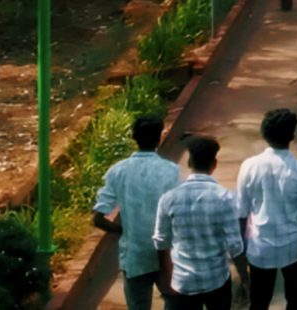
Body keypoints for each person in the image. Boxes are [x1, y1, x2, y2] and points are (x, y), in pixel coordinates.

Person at [91, 112, 179, 310]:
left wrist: (123, 230)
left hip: (134, 255)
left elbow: (98, 218)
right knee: (173, 302)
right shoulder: (171, 170)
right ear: (159, 138)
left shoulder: (118, 171)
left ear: (134, 137)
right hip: (165, 253)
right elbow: (176, 211)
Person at [153, 134, 244, 310]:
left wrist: (166, 278)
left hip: (182, 283)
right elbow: (235, 245)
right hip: (216, 280)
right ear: (214, 165)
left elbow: (161, 241)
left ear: (189, 164)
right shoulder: (224, 198)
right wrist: (245, 279)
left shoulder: (168, 199)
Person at [238, 108, 297, 310]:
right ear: (292, 135)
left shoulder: (249, 166)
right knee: (296, 299)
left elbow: (242, 211)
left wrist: (240, 248)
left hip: (259, 245)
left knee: (259, 301)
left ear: (264, 133)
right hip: (293, 245)